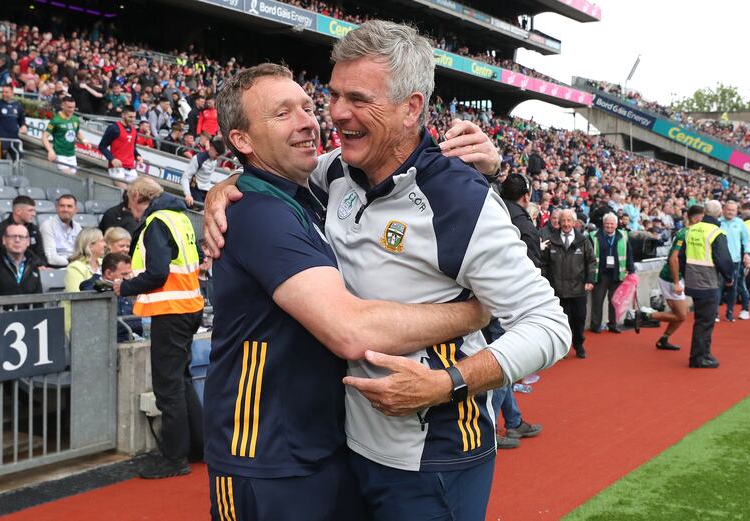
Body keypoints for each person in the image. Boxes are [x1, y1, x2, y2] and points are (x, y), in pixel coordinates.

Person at [206, 21, 569, 519]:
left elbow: (550, 324)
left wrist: (450, 382)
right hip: (349, 448)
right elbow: (267, 162)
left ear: (411, 108)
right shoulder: (334, 171)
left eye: (358, 98)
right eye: (333, 95)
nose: (334, 114)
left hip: (435, 455)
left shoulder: (459, 200)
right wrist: (224, 184)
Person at [114, 177, 204, 479]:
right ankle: (197, 447)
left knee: (169, 387)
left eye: (131, 203)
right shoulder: (181, 217)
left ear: (139, 197)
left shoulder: (156, 222)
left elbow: (157, 273)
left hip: (170, 310)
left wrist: (124, 287)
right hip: (190, 307)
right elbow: (198, 259)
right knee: (182, 380)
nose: (131, 210)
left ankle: (174, 458)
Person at [489, 173, 544, 448]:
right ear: (526, 197)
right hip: (509, 304)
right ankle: (487, 428)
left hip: (486, 299)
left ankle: (513, 421)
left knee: (505, 365)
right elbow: (532, 269)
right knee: (504, 365)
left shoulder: (491, 212)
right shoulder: (524, 224)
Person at [639, 205, 705, 350]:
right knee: (681, 315)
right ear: (696, 218)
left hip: (678, 277)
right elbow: (673, 259)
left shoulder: (689, 232)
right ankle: (645, 316)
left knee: (681, 313)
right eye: (702, 218)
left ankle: (664, 339)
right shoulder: (684, 234)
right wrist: (676, 282)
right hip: (670, 277)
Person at [681, 200, 733, 368]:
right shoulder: (716, 232)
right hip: (708, 281)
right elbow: (723, 259)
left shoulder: (691, 230)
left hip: (693, 280)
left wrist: (686, 274)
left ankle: (702, 353)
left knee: (701, 319)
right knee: (705, 321)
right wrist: (729, 276)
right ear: (719, 213)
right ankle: (699, 357)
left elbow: (681, 257)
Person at [542, 209, 595, 358]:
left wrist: (590, 279)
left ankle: (578, 344)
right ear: (559, 222)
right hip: (557, 290)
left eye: (568, 220)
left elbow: (591, 261)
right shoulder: (551, 240)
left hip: (578, 289)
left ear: (574, 222)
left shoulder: (583, 240)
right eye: (563, 221)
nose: (565, 224)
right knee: (561, 321)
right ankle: (562, 348)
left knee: (579, 319)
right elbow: (544, 264)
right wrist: (546, 283)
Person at [588, 212, 635, 333]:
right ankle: (595, 325)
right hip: (600, 274)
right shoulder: (593, 236)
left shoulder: (624, 236)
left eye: (611, 224)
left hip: (616, 274)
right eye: (607, 224)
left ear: (616, 224)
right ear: (603, 224)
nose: (609, 226)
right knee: (597, 301)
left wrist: (631, 270)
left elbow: (629, 254)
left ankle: (613, 324)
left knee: (614, 301)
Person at [80, 253, 141, 342]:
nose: (128, 278)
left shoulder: (126, 286)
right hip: (102, 344)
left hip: (130, 340)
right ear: (108, 273)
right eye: (124, 274)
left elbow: (137, 325)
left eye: (129, 273)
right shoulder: (91, 287)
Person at [0, 223, 42, 295]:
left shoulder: (33, 265)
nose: (17, 240)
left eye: (21, 237)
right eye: (13, 236)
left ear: (28, 242)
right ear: (4, 240)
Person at [718, 201, 750, 321]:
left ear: (737, 211)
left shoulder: (740, 223)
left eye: (733, 210)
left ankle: (730, 314)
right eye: (728, 209)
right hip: (719, 260)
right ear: (723, 209)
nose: (730, 212)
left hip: (735, 260)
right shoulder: (718, 222)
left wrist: (747, 254)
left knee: (735, 286)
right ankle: (715, 313)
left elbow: (746, 241)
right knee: (718, 287)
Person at [98, 105, 144, 187]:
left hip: (130, 167)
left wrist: (137, 156)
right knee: (123, 192)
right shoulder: (113, 128)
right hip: (117, 167)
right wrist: (112, 159)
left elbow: (131, 147)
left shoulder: (134, 130)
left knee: (137, 193)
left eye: (134, 117)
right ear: (123, 115)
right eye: (130, 117)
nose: (133, 120)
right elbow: (102, 146)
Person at [42, 96, 86, 174]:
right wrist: (50, 151)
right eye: (69, 107)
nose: (72, 110)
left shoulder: (75, 119)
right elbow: (44, 137)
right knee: (68, 176)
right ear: (63, 106)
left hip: (72, 154)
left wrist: (84, 141)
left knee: (71, 180)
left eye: (73, 107)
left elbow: (77, 132)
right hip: (60, 154)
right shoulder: (56, 120)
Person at [0, 195, 45, 262]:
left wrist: (40, 265)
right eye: (30, 211)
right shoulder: (1, 230)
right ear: (18, 211)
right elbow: (0, 256)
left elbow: (41, 255)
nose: (34, 214)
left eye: (34, 211)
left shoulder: (34, 229)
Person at [39, 194, 82, 267]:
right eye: (62, 206)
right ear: (56, 207)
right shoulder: (48, 226)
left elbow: (81, 252)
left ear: (75, 210)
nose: (65, 209)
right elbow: (51, 258)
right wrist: (73, 263)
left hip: (76, 267)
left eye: (69, 206)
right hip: (57, 268)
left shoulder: (77, 227)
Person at [0, 85, 27, 159]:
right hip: (0, 140)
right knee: (0, 161)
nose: (4, 94)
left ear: (12, 92)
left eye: (6, 92)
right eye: (3, 92)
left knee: (19, 159)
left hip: (14, 139)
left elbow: (21, 120)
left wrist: (23, 126)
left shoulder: (17, 106)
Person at [181, 139, 224, 208]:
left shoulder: (214, 161)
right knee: (202, 213)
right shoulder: (198, 159)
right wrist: (188, 195)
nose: (218, 157)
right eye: (217, 154)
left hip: (206, 191)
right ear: (212, 149)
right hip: (195, 190)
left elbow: (206, 178)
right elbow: (185, 177)